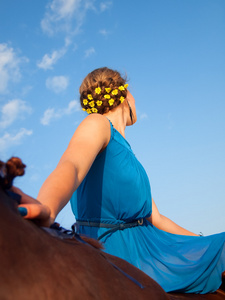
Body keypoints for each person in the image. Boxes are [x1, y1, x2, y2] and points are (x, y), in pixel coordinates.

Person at [19, 67, 225, 293]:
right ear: (125, 95)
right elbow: (72, 164)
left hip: (153, 249)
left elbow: (156, 218)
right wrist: (47, 207)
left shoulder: (128, 155)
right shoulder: (97, 123)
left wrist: (200, 244)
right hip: (122, 254)